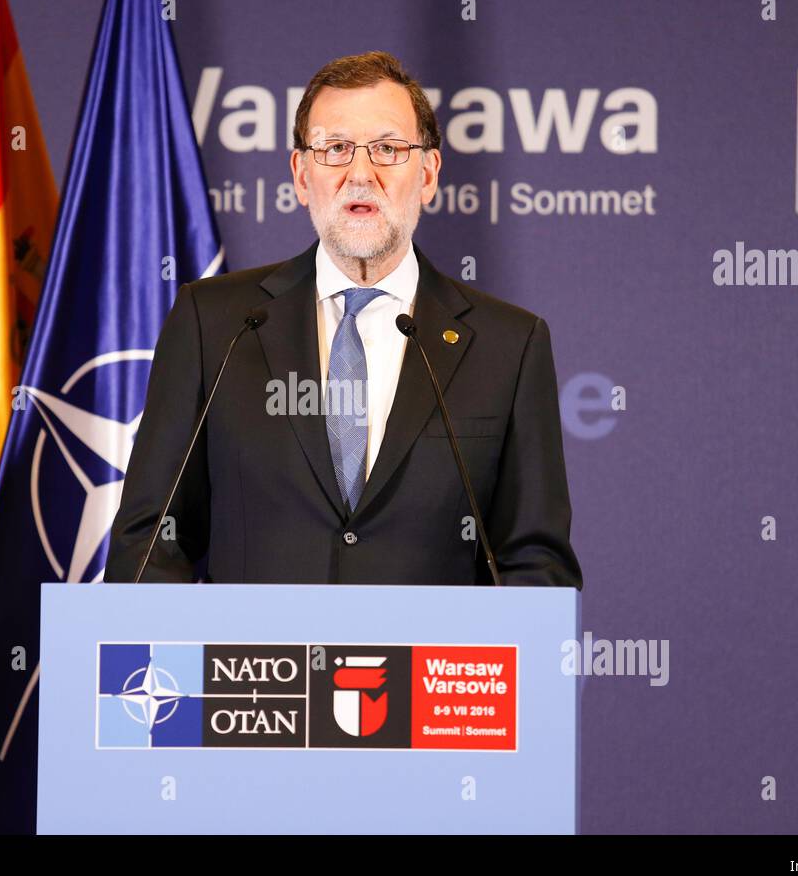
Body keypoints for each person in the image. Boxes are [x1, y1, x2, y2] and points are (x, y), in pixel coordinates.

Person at [104, 51, 581, 587]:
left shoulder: (508, 345)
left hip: (430, 669)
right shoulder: (213, 323)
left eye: (388, 149)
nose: (361, 174)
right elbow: (151, 538)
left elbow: (535, 564)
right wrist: (177, 668)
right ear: (301, 175)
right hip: (252, 669)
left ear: (427, 173)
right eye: (334, 149)